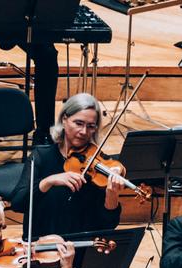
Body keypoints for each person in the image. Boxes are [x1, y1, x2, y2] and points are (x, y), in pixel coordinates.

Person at [10, 93, 122, 242]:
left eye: (91, 126)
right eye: (78, 123)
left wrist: (111, 196)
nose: (84, 132)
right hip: (43, 248)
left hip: (81, 247)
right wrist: (48, 181)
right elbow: (18, 203)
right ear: (64, 120)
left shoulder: (96, 164)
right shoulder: (41, 157)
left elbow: (108, 224)